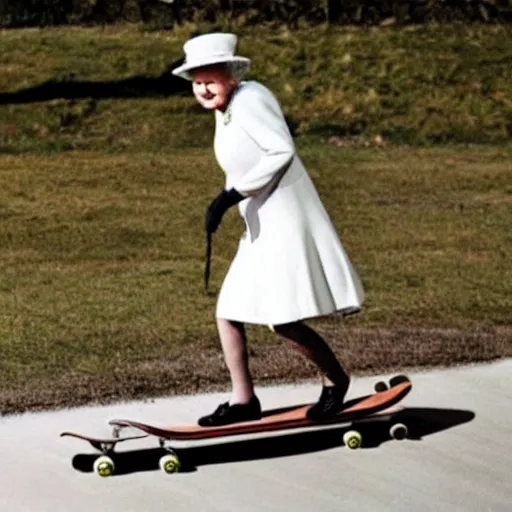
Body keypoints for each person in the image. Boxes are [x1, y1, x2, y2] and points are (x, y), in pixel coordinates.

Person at [172, 33, 365, 427]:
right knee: (228, 311)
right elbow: (241, 161)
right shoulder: (225, 109)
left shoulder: (251, 99)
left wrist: (229, 197)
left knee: (283, 319)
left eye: (210, 80)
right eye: (197, 83)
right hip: (259, 222)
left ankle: (335, 381)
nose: (204, 89)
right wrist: (228, 200)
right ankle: (244, 401)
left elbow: (281, 150)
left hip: (283, 221)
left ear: (230, 75)